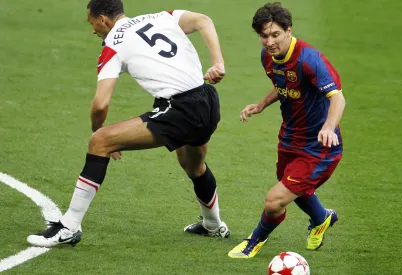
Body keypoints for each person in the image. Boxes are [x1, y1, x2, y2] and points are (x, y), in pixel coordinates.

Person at [27, 0, 230, 247]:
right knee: (193, 166)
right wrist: (218, 63)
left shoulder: (113, 44)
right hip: (207, 100)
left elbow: (100, 104)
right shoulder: (159, 17)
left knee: (100, 142)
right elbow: (203, 20)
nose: (93, 30)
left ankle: (68, 227)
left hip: (180, 109)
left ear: (103, 19)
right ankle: (213, 226)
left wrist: (98, 130)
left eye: (92, 23)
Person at [228, 2, 345, 259]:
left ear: (289, 30)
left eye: (275, 34)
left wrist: (328, 127)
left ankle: (254, 242)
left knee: (274, 200)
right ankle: (322, 218)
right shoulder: (268, 56)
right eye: (263, 36)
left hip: (318, 147)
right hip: (290, 138)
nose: (269, 42)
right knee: (292, 187)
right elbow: (283, 85)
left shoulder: (309, 59)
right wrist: (260, 105)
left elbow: (338, 98)